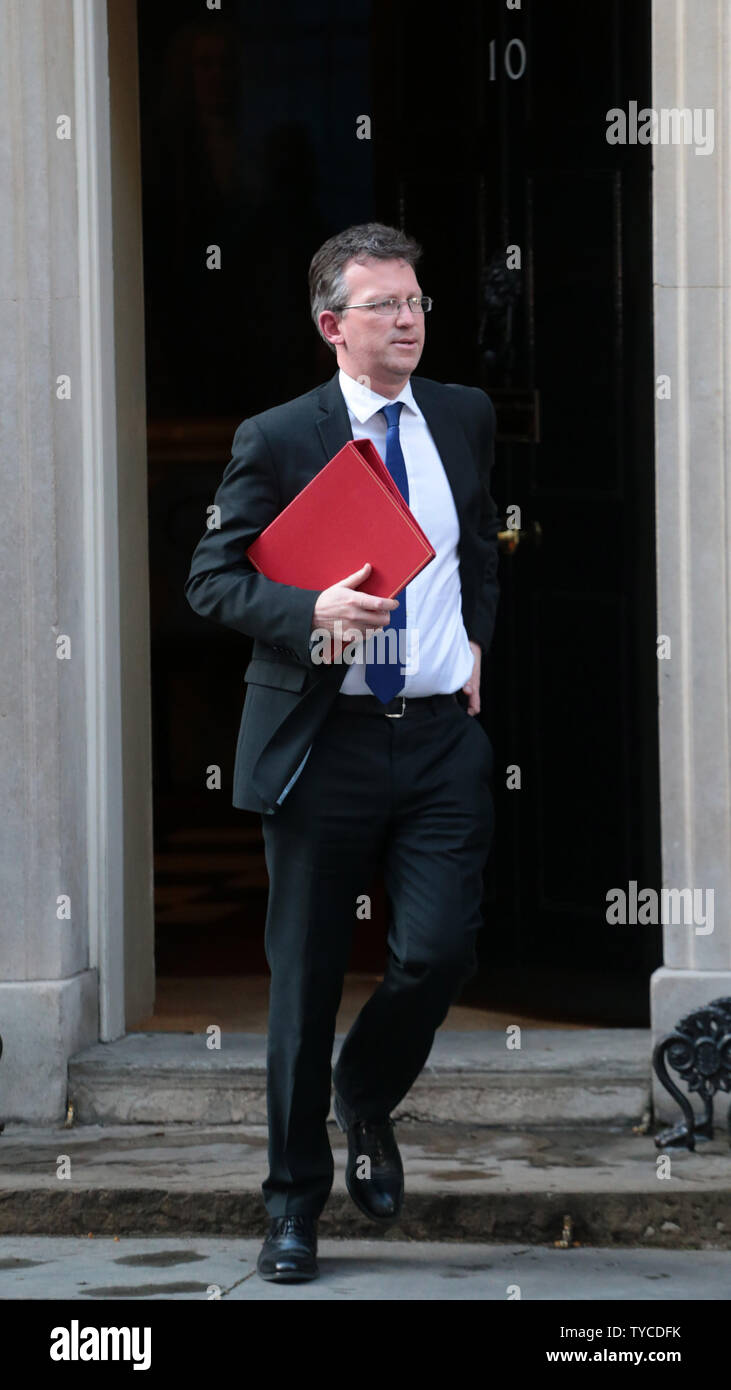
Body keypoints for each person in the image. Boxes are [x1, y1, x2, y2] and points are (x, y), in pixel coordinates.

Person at [184, 222, 500, 1283]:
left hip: (440, 743)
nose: (408, 320)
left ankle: (361, 1092)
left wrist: (473, 650)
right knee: (304, 984)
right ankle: (290, 1208)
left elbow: (477, 555)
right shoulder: (278, 437)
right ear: (333, 326)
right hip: (325, 743)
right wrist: (306, 607)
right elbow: (213, 581)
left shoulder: (462, 415)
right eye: (385, 306)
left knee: (438, 950)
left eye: (415, 302)